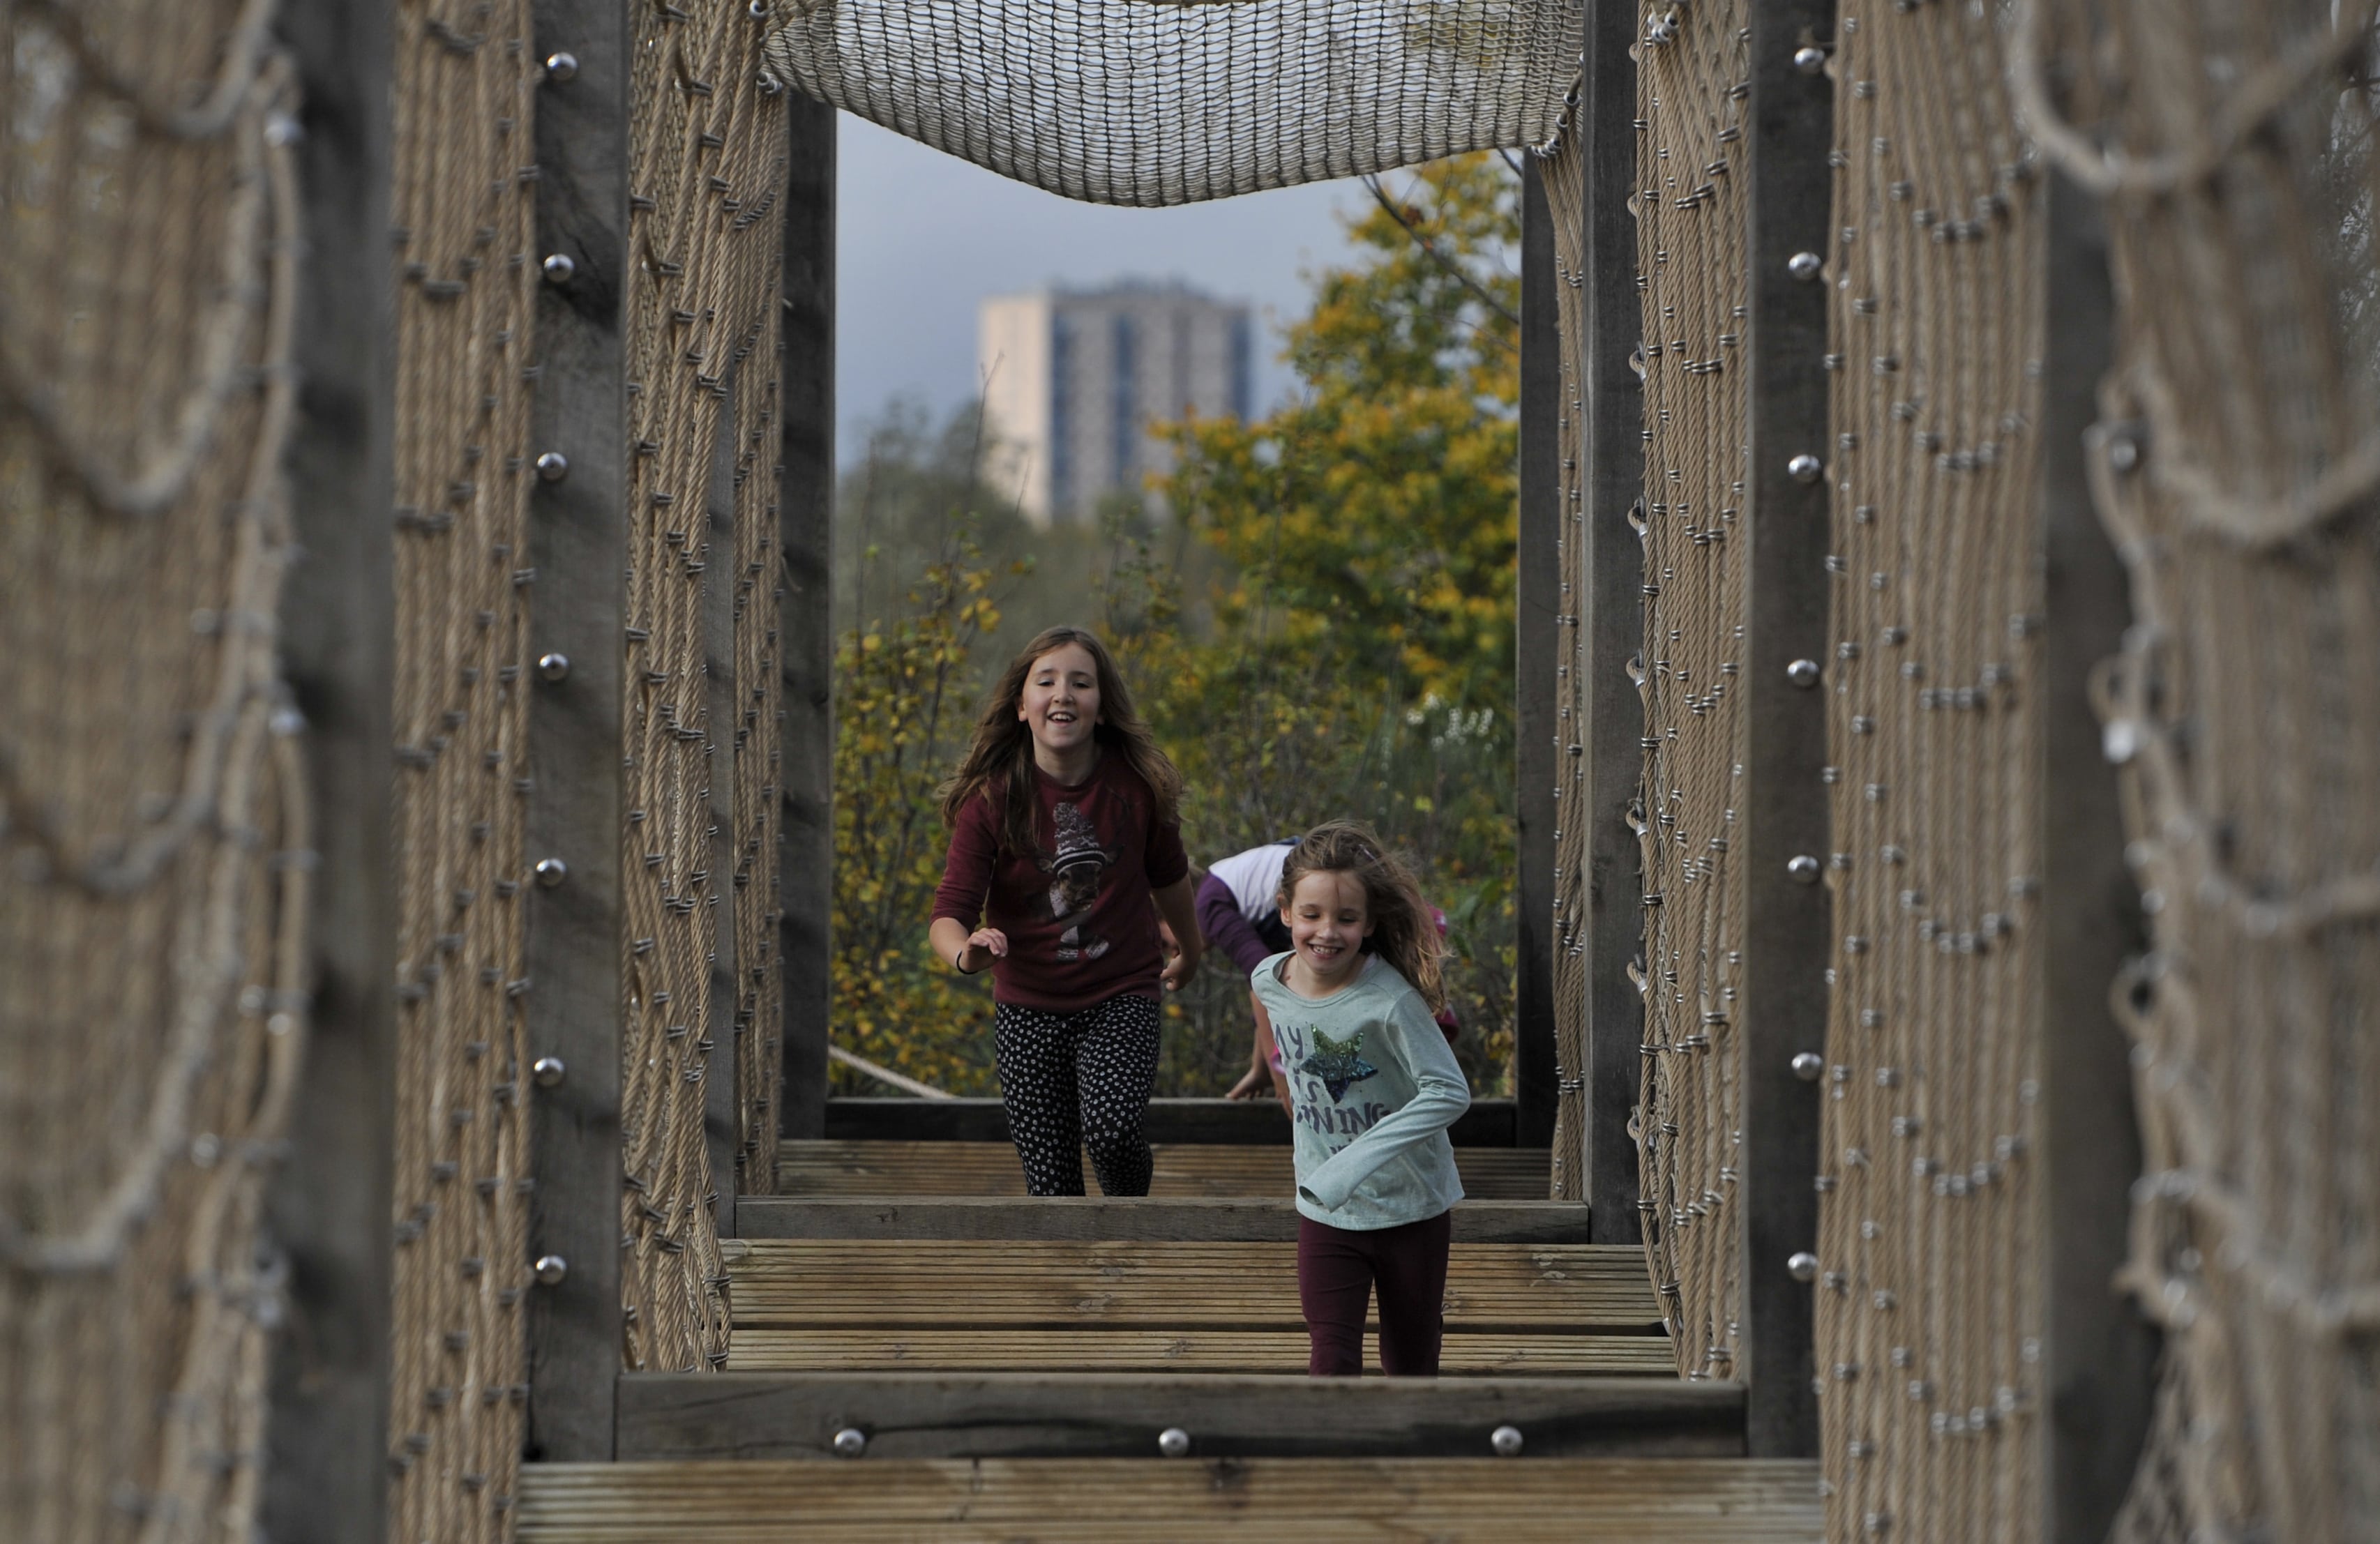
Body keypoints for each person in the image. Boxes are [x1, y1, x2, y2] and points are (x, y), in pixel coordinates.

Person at [929, 626, 1203, 1196]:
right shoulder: (993, 801)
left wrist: (1191, 948)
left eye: (1081, 683)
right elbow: (949, 914)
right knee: (1051, 1185)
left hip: (1120, 993)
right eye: (1047, 681)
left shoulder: (1137, 788)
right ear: (1022, 707)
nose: (1063, 694)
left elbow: (1169, 877)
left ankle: (1132, 1232)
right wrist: (966, 952)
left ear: (1102, 708)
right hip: (1028, 1007)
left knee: (1112, 1133)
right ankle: (1071, 1281)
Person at [1253, 822, 1469, 1377]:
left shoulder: (1390, 1002)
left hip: (1411, 1207)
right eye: (1312, 915)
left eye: (1347, 919)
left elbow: (1448, 1091)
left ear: (1369, 923)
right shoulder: (1268, 979)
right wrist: (1271, 1066)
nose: (1327, 932)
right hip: (1326, 1210)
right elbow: (1273, 1015)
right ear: (1285, 911)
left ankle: (1407, 1459)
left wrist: (1351, 1161)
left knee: (1411, 1360)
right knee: (1330, 1356)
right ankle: (1333, 1461)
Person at [1200, 838, 1458, 1106]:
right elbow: (1269, 986)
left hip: (1337, 878)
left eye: (1166, 942)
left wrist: (1279, 1072)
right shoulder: (1243, 903)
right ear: (1285, 911)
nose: (1172, 952)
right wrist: (1262, 1068)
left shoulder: (1208, 906)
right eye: (1311, 917)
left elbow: (1262, 984)